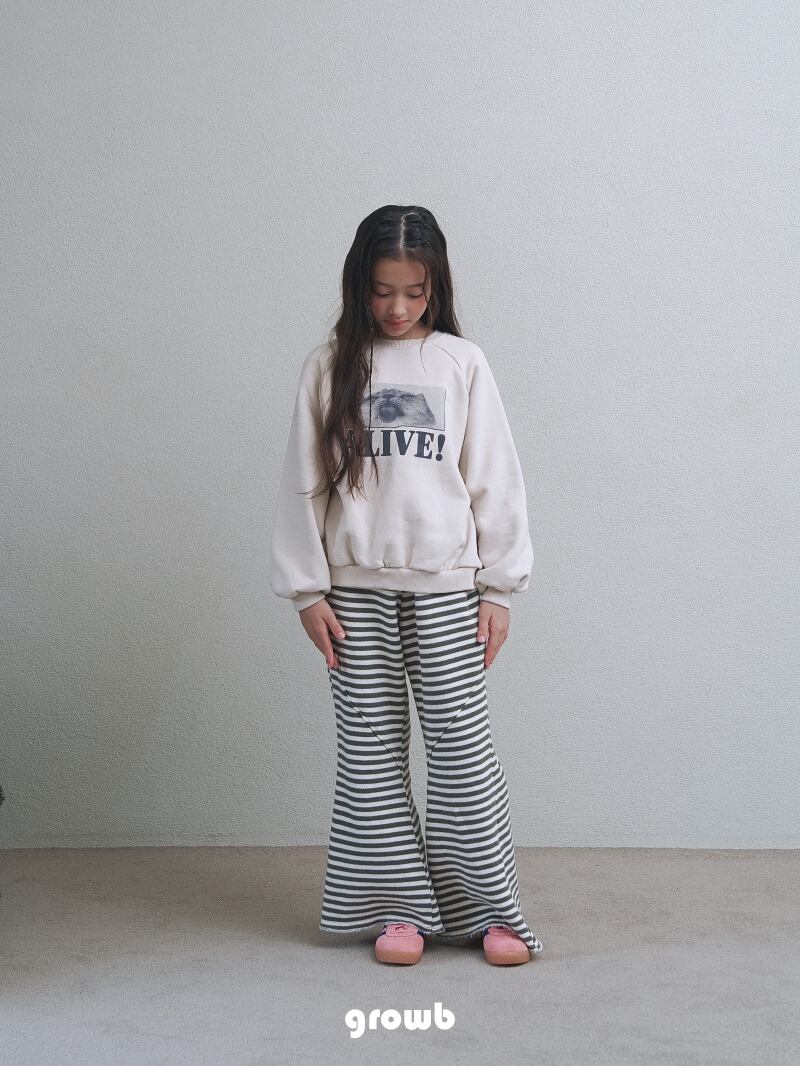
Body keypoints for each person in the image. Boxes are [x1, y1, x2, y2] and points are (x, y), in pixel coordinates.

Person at [269, 204, 543, 967]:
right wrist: (306, 590)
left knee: (463, 749)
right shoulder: (330, 366)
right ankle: (397, 909)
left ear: (436, 287)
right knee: (370, 753)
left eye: (414, 292)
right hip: (351, 594)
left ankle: (489, 911)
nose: (397, 308)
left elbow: (495, 479)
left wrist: (499, 589)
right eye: (382, 291)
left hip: (449, 590)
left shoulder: (462, 363)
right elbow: (302, 482)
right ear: (359, 285)